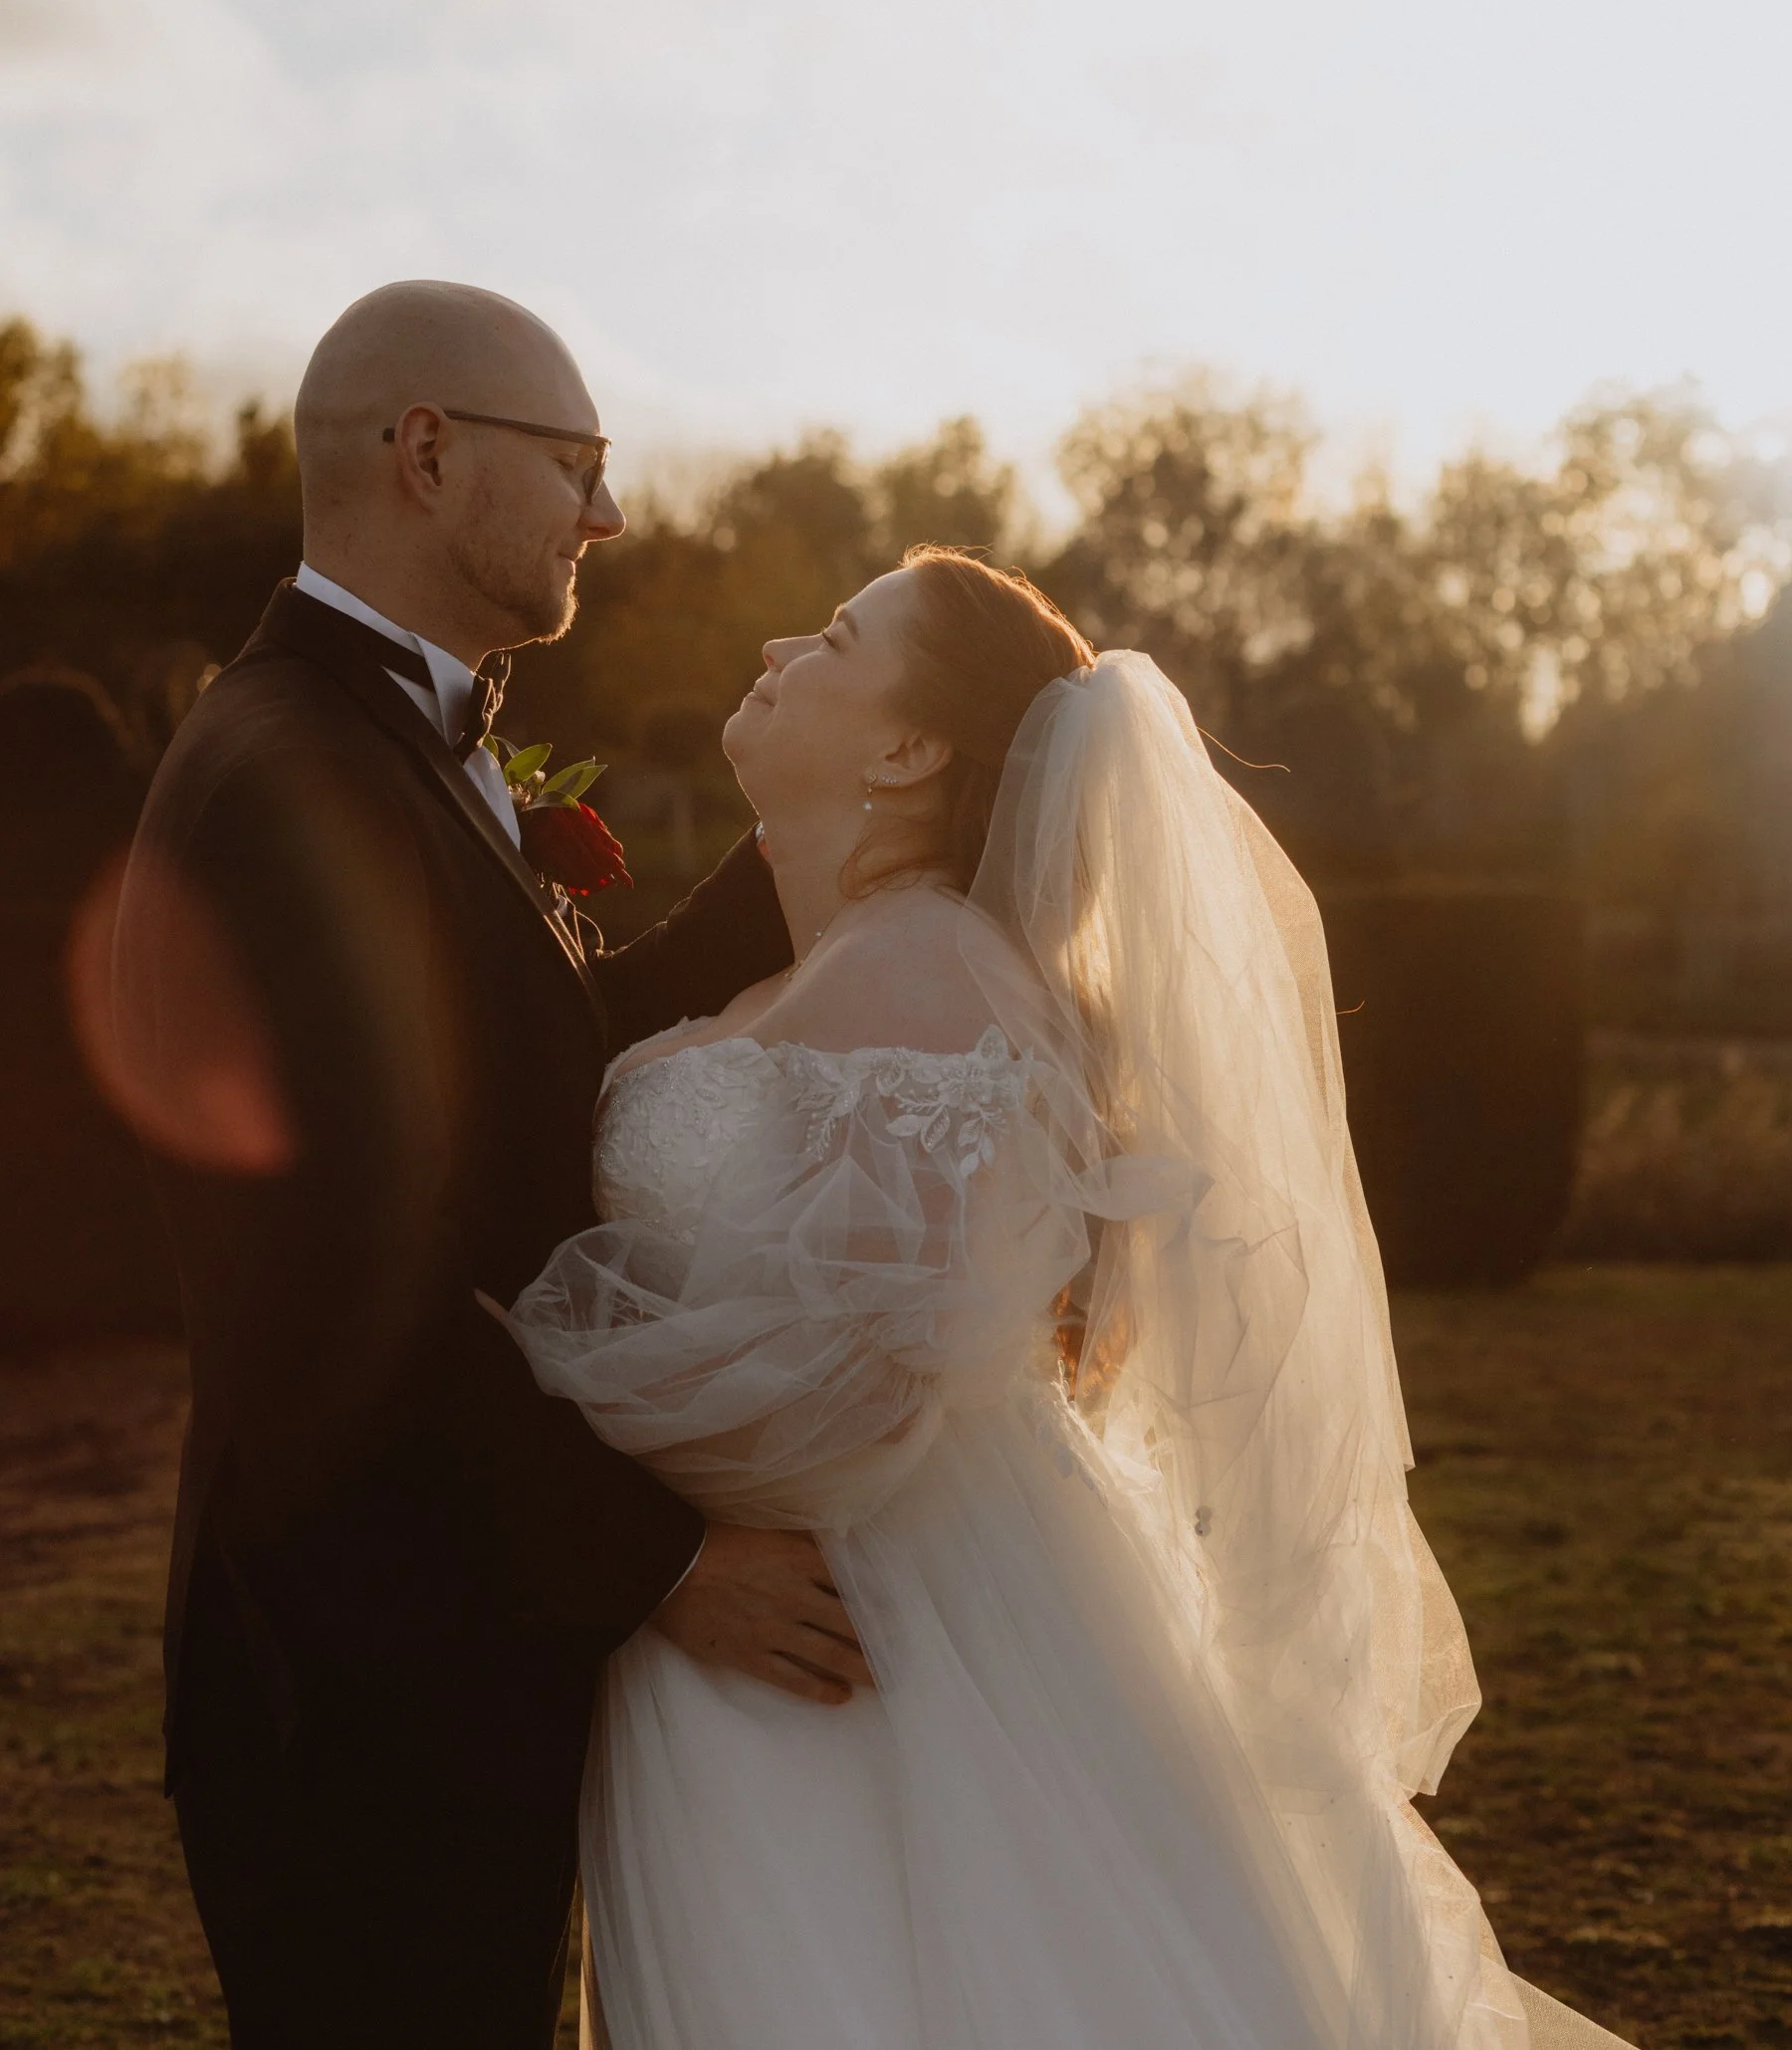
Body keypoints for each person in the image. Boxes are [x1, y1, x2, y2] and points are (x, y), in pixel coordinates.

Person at [505, 546, 1639, 2050]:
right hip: (786, 1635)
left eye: (835, 634)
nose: (780, 639)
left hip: (868, 1647)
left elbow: (892, 1371)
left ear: (911, 748)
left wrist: (594, 1477)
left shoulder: (932, 967)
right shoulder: (839, 965)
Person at [112, 281, 870, 2050]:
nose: (607, 516)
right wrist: (668, 1563)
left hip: (431, 1662)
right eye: (581, 463)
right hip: (358, 1694)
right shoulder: (290, 774)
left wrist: (831, 831)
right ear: (429, 454)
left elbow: (548, 1077)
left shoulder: (386, 748)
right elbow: (330, 1295)